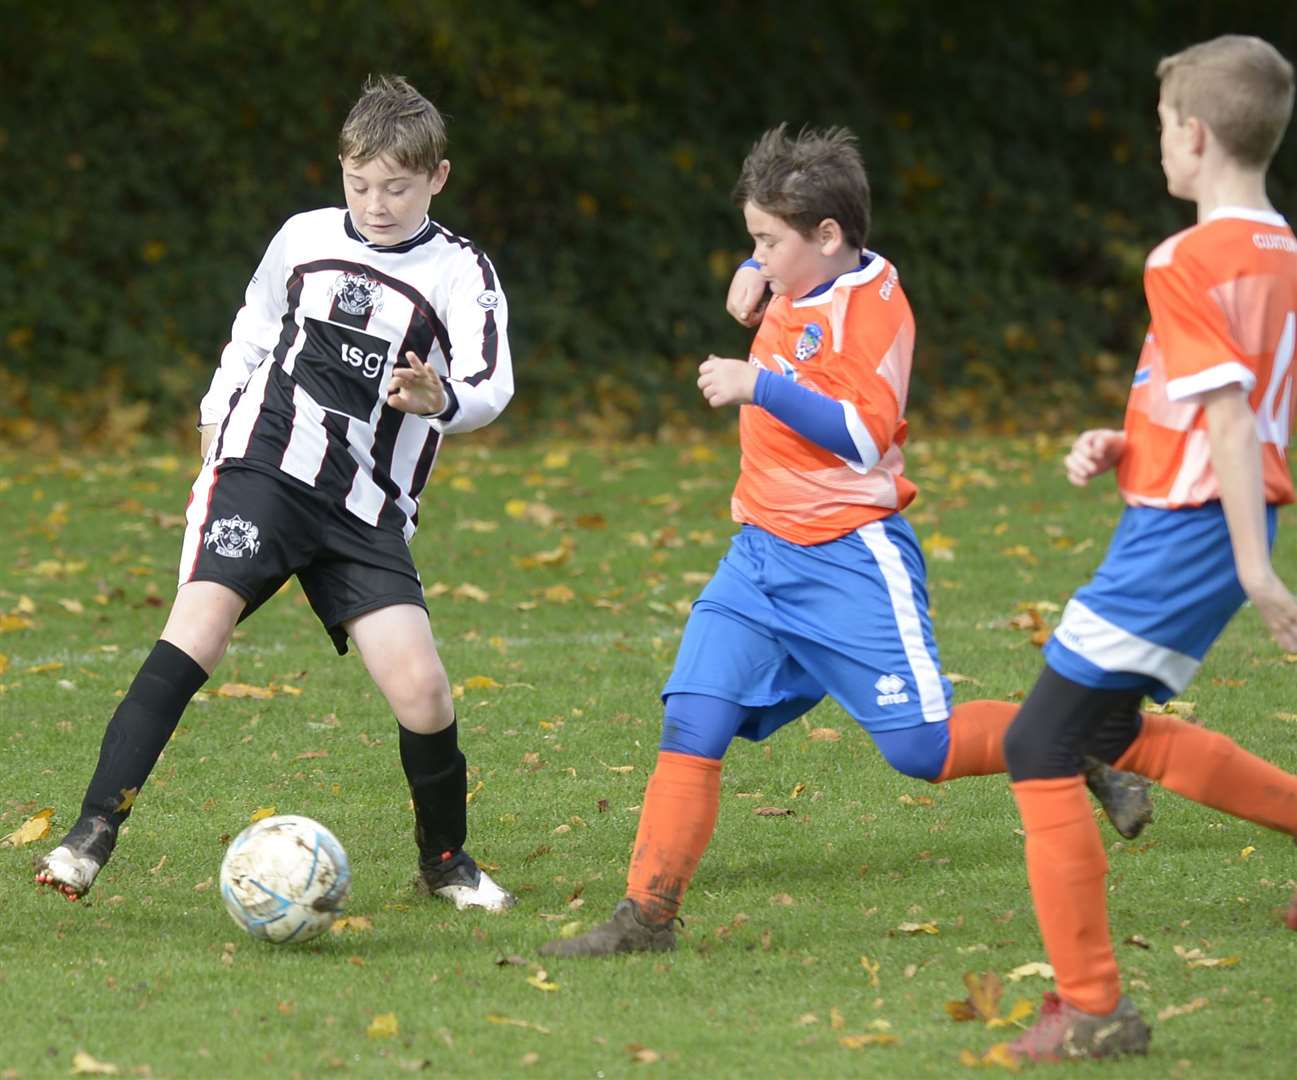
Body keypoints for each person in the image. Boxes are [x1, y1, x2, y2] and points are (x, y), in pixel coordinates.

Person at [541, 124, 1147, 959]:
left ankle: (1075, 741)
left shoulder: (875, 312)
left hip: (846, 555)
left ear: (827, 236)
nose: (753, 256)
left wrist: (758, 382)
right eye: (751, 238)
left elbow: (861, 436)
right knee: (693, 716)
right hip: (758, 551)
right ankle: (646, 918)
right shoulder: (810, 263)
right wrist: (759, 269)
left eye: (765, 240)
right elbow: (783, 272)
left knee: (920, 751)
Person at [35, 74, 516, 913]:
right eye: (359, 183)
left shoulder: (459, 272)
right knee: (199, 632)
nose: (375, 203)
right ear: (341, 169)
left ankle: (445, 862)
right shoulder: (301, 238)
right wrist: (212, 425)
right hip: (265, 467)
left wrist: (445, 400)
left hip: (363, 507)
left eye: (397, 187)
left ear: (437, 177)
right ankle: (89, 835)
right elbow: (252, 332)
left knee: (423, 688)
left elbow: (490, 382)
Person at [998, 35, 1297, 1062]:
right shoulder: (1280, 250)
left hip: (1192, 534)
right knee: (1108, 730)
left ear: (1197, 136)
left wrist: (1256, 573)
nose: (1159, 145)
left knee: (1043, 744)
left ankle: (1093, 1011)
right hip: (1204, 517)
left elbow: (1226, 418)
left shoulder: (1184, 256)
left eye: (1164, 126)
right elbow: (1232, 405)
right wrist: (1129, 442)